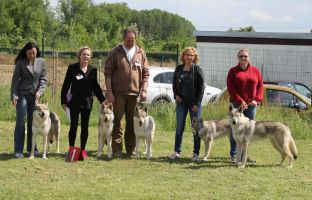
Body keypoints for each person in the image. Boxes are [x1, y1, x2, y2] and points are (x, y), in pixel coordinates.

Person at [104, 26, 149, 158]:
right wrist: (110, 92)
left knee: (132, 122)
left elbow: (146, 73)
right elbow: (107, 74)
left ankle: (131, 150)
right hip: (118, 93)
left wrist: (144, 89)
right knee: (117, 121)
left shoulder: (141, 53)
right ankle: (117, 150)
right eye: (128, 40)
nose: (130, 42)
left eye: (133, 40)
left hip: (134, 94)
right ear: (123, 38)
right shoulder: (114, 52)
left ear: (136, 39)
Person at [61, 46, 106, 160]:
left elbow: (95, 87)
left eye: (88, 55)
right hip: (74, 102)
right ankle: (71, 150)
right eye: (84, 54)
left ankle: (82, 150)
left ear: (90, 57)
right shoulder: (72, 68)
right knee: (74, 126)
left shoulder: (93, 70)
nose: (86, 56)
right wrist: (63, 101)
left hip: (87, 103)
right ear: (79, 55)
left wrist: (103, 100)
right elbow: (66, 85)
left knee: (85, 127)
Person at [11, 42, 48, 158]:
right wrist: (14, 95)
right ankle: (18, 150)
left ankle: (31, 148)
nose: (32, 55)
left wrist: (39, 92)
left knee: (34, 121)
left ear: (37, 52)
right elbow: (15, 79)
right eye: (30, 53)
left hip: (35, 96)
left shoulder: (41, 61)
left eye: (34, 53)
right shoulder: (21, 62)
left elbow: (43, 79)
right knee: (21, 120)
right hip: (22, 95)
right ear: (26, 52)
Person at [226, 48, 264, 163]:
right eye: (241, 56)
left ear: (249, 57)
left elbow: (260, 87)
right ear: (238, 58)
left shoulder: (256, 71)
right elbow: (231, 88)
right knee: (235, 130)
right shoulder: (233, 71)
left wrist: (256, 101)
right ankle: (234, 154)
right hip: (237, 105)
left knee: (248, 132)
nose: (243, 58)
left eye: (245, 56)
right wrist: (240, 100)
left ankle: (244, 156)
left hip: (251, 106)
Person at [169, 47, 205, 162]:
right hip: (181, 103)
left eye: (192, 55)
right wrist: (176, 96)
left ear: (195, 57)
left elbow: (201, 88)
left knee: (196, 128)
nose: (189, 57)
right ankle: (176, 151)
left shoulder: (197, 69)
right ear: (183, 56)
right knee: (179, 127)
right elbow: (174, 84)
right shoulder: (179, 69)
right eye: (187, 55)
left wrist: (197, 103)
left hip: (194, 104)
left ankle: (196, 153)